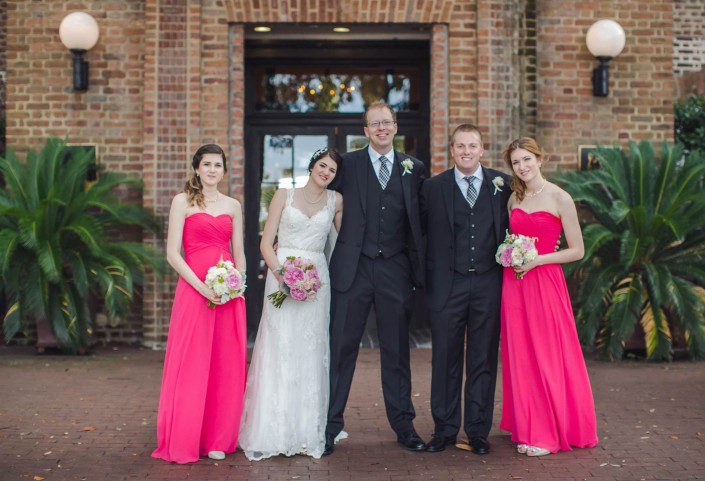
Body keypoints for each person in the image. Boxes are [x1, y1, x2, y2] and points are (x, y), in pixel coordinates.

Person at [325, 100, 427, 455]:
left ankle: (404, 424)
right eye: (374, 124)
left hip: (395, 270)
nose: (382, 128)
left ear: (395, 127)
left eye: (387, 122)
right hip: (352, 269)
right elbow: (320, 198)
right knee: (341, 349)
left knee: (397, 351)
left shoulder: (415, 169)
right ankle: (329, 425)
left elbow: (424, 222)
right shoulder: (348, 165)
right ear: (365, 131)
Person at [239, 148, 344, 460]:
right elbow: (264, 242)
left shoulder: (336, 201)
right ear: (312, 166)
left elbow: (342, 244)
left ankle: (309, 429)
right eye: (322, 166)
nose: (326, 172)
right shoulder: (283, 196)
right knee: (280, 346)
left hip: (317, 281)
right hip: (281, 274)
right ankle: (274, 427)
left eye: (332, 170)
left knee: (311, 350)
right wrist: (284, 277)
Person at [499, 137, 598, 457]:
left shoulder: (560, 197)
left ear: (541, 159)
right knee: (521, 354)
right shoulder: (514, 199)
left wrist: (538, 259)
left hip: (544, 281)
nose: (522, 167)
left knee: (546, 353)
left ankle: (546, 433)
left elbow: (577, 250)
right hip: (514, 284)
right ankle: (527, 426)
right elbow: (511, 238)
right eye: (516, 162)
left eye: (527, 159)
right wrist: (509, 254)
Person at [152, 144, 247, 464]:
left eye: (217, 165)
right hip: (195, 293)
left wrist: (238, 283)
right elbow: (172, 254)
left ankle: (219, 438)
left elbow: (239, 251)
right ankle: (188, 436)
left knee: (225, 364)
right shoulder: (182, 201)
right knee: (193, 363)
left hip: (228, 296)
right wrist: (203, 288)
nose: (211, 170)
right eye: (206, 164)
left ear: (223, 170)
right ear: (196, 168)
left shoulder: (234, 205)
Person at [419, 124, 511, 454]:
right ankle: (444, 430)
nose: (466, 151)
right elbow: (419, 235)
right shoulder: (433, 188)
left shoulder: (503, 185)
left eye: (472, 145)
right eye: (460, 146)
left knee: (483, 358)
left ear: (482, 149)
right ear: (452, 150)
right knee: (445, 358)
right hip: (448, 284)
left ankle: (476, 431)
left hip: (489, 283)